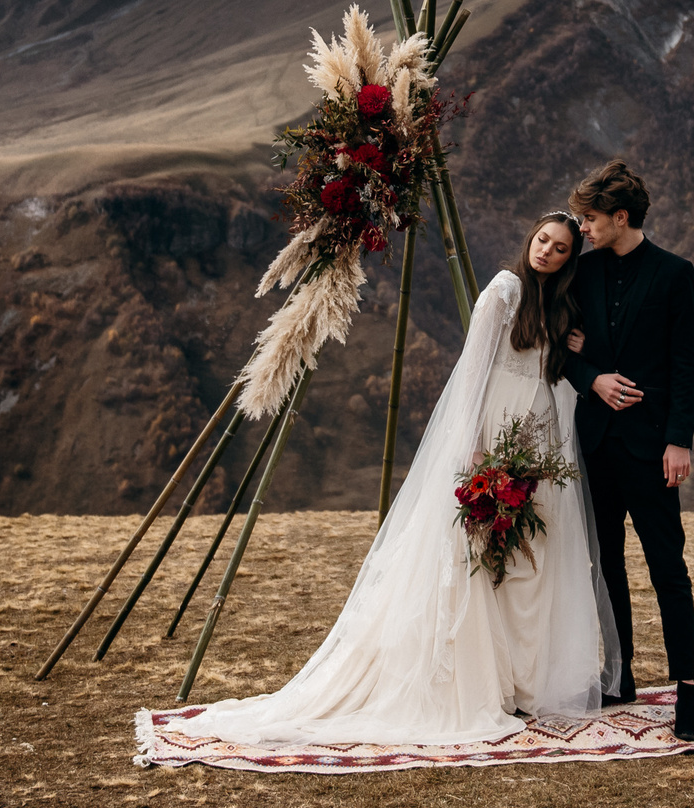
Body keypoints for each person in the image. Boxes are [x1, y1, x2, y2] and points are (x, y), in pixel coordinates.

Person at [179, 213, 620, 747]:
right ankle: (487, 679)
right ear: (531, 239)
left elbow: (553, 371)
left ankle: (526, 680)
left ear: (571, 259)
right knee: (481, 551)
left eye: (560, 248)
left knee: (532, 554)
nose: (546, 251)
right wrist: (472, 443)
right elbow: (474, 369)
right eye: (543, 240)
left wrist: (572, 350)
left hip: (539, 436)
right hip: (496, 427)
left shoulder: (559, 305)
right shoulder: (504, 291)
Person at [560, 158, 694, 743]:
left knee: (668, 569)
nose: (584, 228)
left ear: (620, 217)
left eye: (591, 219)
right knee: (606, 566)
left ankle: (686, 691)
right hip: (594, 445)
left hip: (652, 449)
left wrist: (679, 441)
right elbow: (560, 349)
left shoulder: (675, 273)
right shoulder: (581, 271)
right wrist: (590, 377)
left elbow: (684, 363)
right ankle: (619, 676)